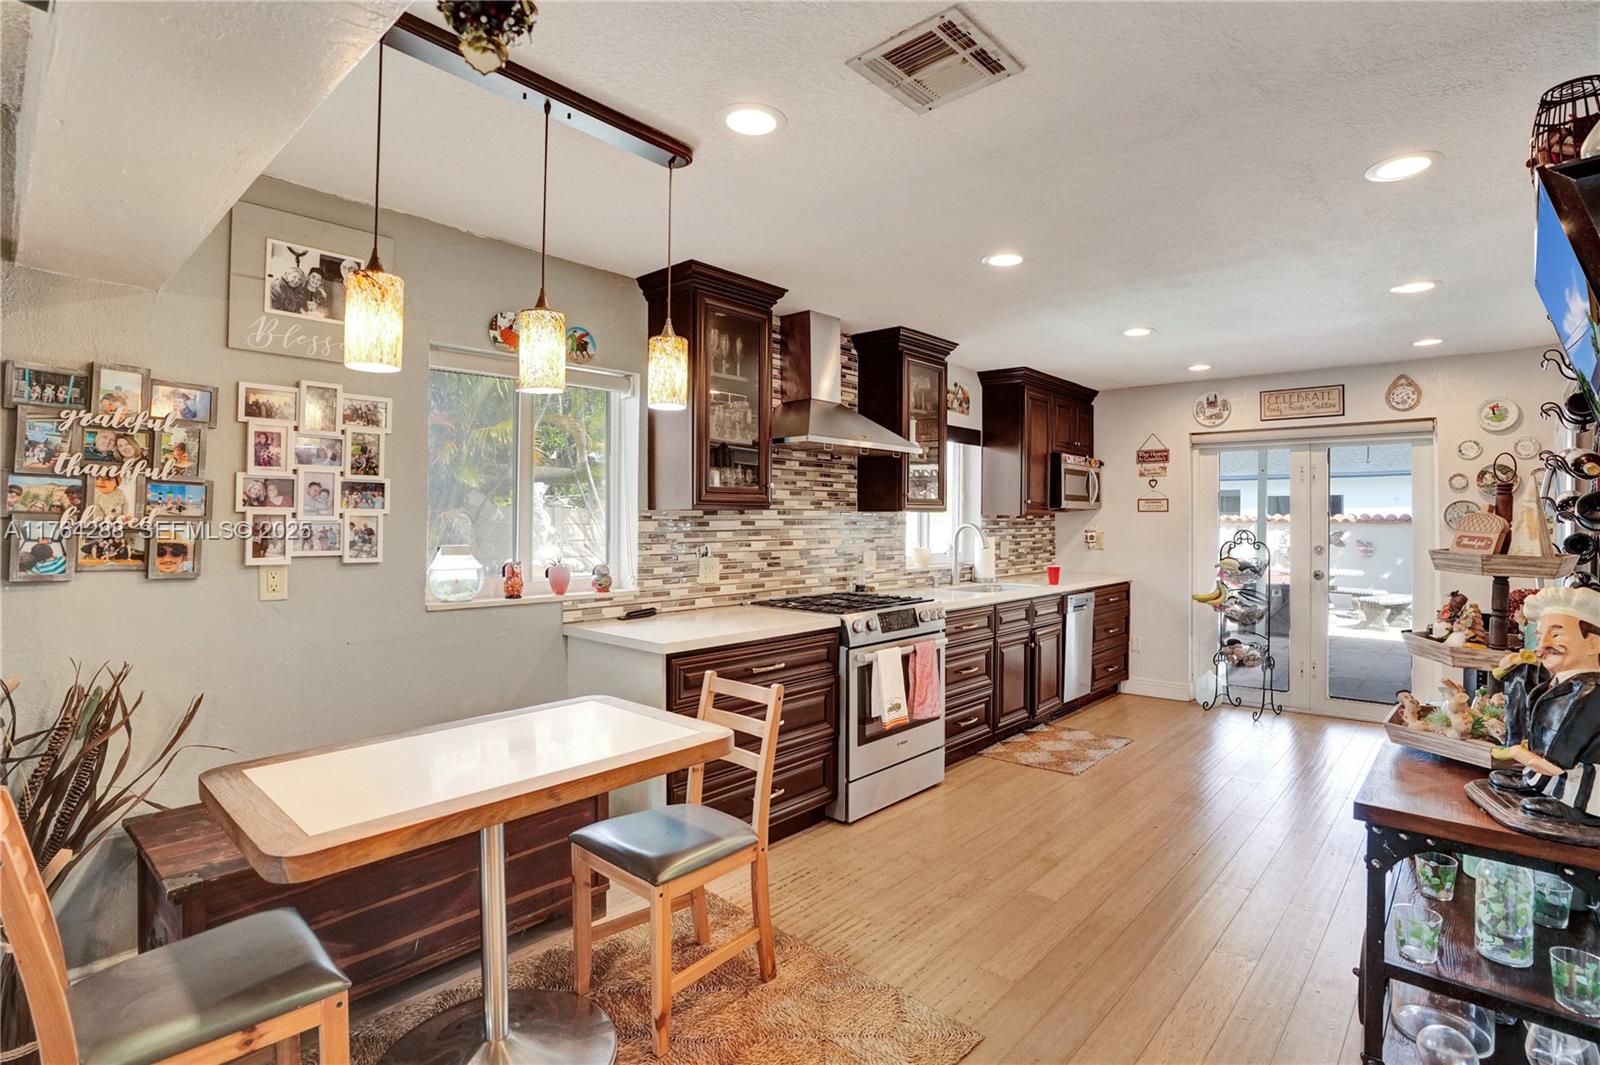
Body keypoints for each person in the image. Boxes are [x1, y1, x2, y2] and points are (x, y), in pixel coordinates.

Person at [1493, 586, 1600, 822]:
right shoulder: (1559, 683)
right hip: (1549, 771)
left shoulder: (1591, 691)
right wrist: (1519, 675)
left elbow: (1558, 756)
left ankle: (1580, 808)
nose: (1542, 645)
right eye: (1540, 636)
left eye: (1557, 634)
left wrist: (1517, 752)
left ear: (1593, 644)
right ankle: (1538, 784)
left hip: (1587, 787)